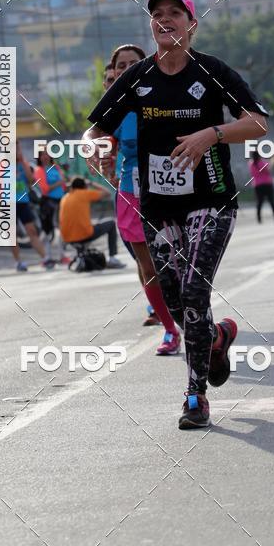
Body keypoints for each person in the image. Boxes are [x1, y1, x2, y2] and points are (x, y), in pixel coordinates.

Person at [84, 0, 269, 429]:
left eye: (175, 13)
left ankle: (195, 396)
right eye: (157, 14)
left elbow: (257, 123)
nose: (165, 19)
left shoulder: (212, 71)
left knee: (193, 292)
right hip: (159, 207)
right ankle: (216, 337)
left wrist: (212, 134)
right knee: (174, 297)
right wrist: (95, 148)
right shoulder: (138, 77)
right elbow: (94, 131)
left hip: (211, 199)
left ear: (191, 24)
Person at [110, 43, 181, 353]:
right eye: (121, 65)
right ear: (115, 72)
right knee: (149, 269)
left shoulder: (166, 96)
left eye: (133, 63)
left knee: (177, 266)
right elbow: (99, 142)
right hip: (131, 194)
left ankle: (194, 321)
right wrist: (101, 156)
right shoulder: (113, 109)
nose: (127, 69)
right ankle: (170, 330)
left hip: (170, 189)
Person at [59, 177, 125, 268]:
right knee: (111, 224)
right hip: (84, 234)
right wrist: (91, 183)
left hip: (66, 237)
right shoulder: (84, 193)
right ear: (84, 186)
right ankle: (112, 258)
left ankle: (81, 258)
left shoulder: (65, 198)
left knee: (87, 227)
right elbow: (107, 192)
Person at [13, 143, 54, 271]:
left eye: (18, 148)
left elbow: (31, 180)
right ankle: (18, 262)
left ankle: (45, 259)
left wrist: (22, 162)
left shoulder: (23, 164)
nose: (17, 151)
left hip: (23, 202)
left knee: (32, 230)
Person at [34, 148, 67, 260]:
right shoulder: (39, 170)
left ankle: (62, 255)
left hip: (61, 201)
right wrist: (59, 183)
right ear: (39, 157)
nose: (45, 156)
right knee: (47, 230)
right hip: (48, 202)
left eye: (47, 154)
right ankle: (47, 256)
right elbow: (45, 189)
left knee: (61, 228)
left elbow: (64, 184)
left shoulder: (55, 167)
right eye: (42, 154)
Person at [249, 149, 274, 223]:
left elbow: (252, 174)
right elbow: (268, 171)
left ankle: (259, 218)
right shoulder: (262, 162)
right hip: (267, 183)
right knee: (271, 200)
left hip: (257, 185)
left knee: (259, 202)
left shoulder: (251, 164)